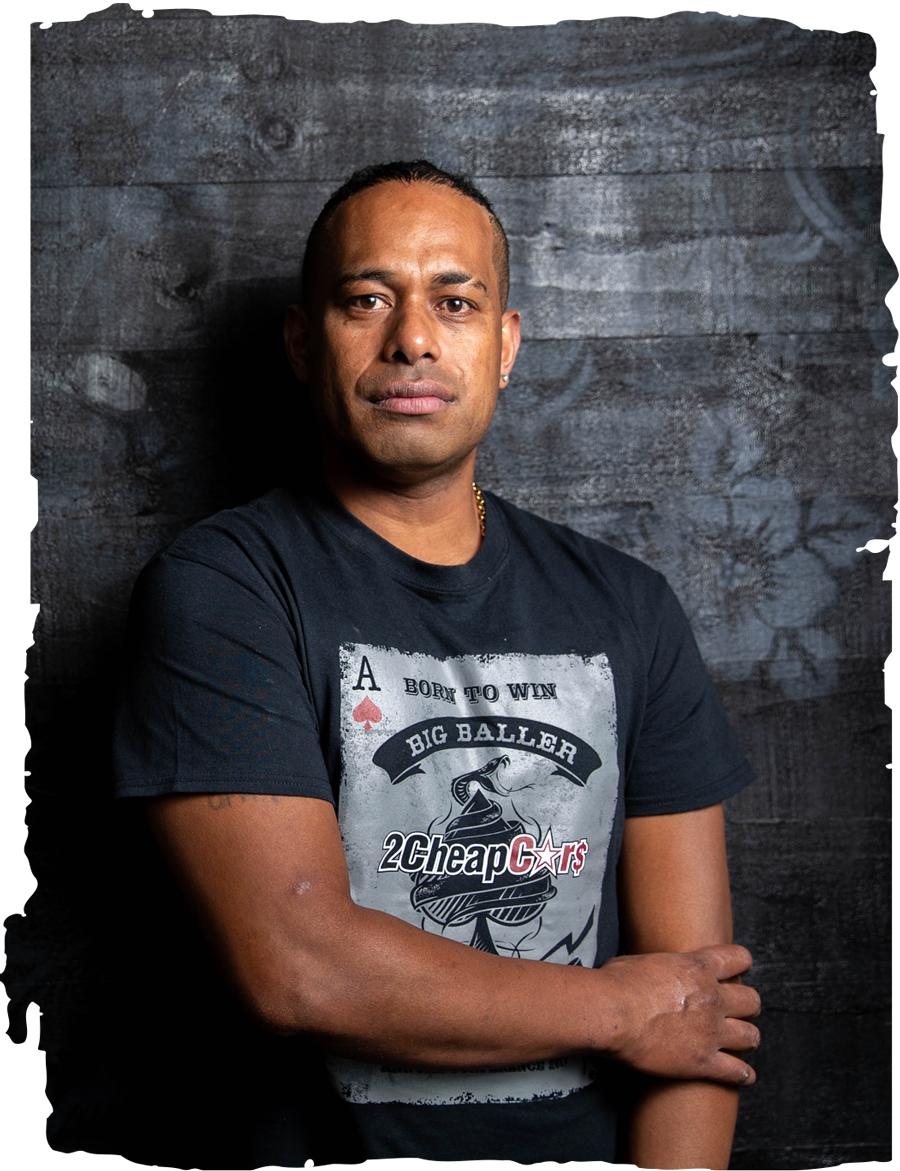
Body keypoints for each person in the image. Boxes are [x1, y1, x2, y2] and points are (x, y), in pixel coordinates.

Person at [114, 160, 761, 1171]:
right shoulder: (224, 587)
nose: (411, 338)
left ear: (504, 345)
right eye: (366, 299)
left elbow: (699, 1010)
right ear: (300, 341)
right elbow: (300, 966)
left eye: (454, 301)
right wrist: (618, 1007)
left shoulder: (628, 606)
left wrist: (656, 1016)